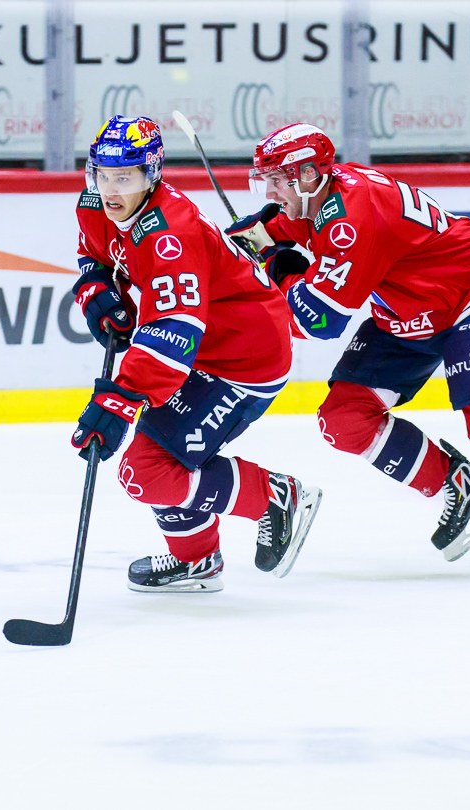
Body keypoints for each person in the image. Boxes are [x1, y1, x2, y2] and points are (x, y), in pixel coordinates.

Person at [224, 122, 470, 577]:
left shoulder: (352, 220)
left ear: (308, 174)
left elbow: (318, 321)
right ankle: (458, 483)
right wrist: (251, 238)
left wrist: (274, 266)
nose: (270, 191)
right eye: (266, 180)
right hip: (406, 314)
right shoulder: (322, 195)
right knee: (345, 420)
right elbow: (275, 226)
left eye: (277, 180)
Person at [68, 115, 323, 593]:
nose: (111, 190)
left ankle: (274, 497)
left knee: (146, 470)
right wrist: (97, 289)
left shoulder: (171, 234)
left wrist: (120, 399)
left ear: (151, 175)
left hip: (244, 356)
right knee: (152, 462)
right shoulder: (94, 204)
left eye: (125, 177)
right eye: (103, 175)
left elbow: (172, 331)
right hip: (202, 347)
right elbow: (94, 256)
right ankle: (197, 560)